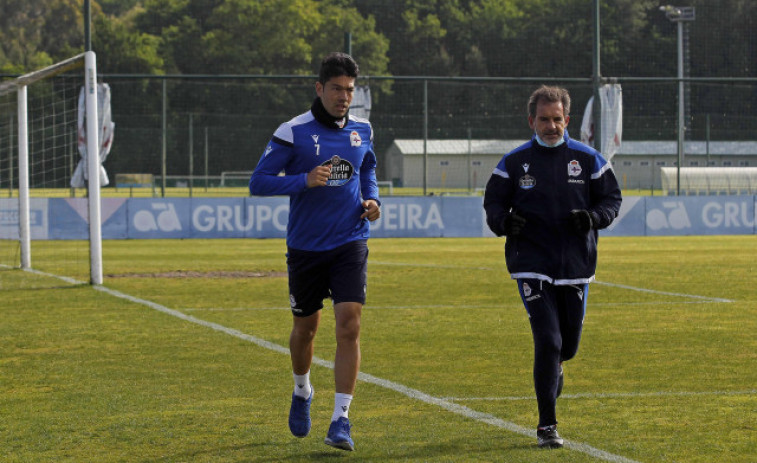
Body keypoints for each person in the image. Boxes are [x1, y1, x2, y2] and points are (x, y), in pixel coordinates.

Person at [249, 52, 381, 452]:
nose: (344, 97)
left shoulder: (363, 129)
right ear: (320, 88)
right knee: (306, 329)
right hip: (305, 246)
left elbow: (368, 168)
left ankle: (341, 419)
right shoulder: (293, 132)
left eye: (350, 91)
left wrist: (373, 201)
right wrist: (302, 180)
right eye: (337, 89)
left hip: (350, 240)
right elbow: (259, 182)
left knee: (349, 323)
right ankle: (302, 390)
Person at [483, 85, 622, 448]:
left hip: (575, 263)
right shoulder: (513, 163)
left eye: (557, 119)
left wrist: (593, 217)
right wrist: (503, 222)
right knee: (548, 339)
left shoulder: (588, 159)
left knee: (568, 346)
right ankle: (547, 426)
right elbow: (493, 203)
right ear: (531, 121)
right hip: (530, 262)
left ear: (567, 120)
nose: (551, 125)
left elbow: (611, 198)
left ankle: (557, 368)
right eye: (543, 119)